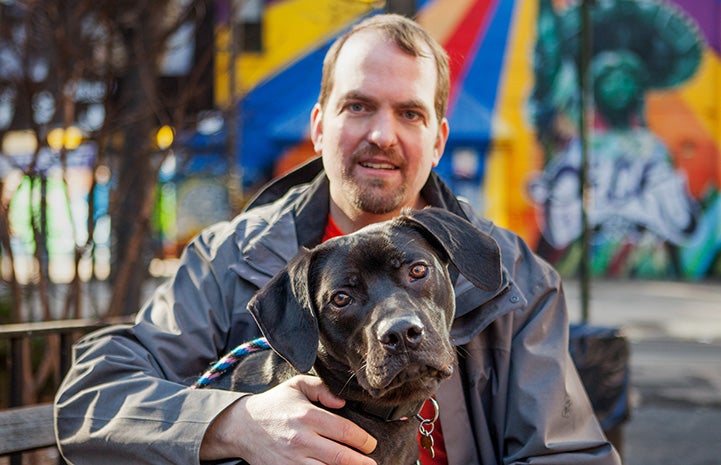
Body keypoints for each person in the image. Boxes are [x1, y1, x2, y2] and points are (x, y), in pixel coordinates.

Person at [54, 13, 622, 465]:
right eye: (358, 106)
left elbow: (566, 452)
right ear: (320, 125)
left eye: (409, 113)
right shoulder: (229, 261)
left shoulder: (513, 277)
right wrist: (231, 424)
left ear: (439, 138)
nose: (382, 134)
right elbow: (90, 398)